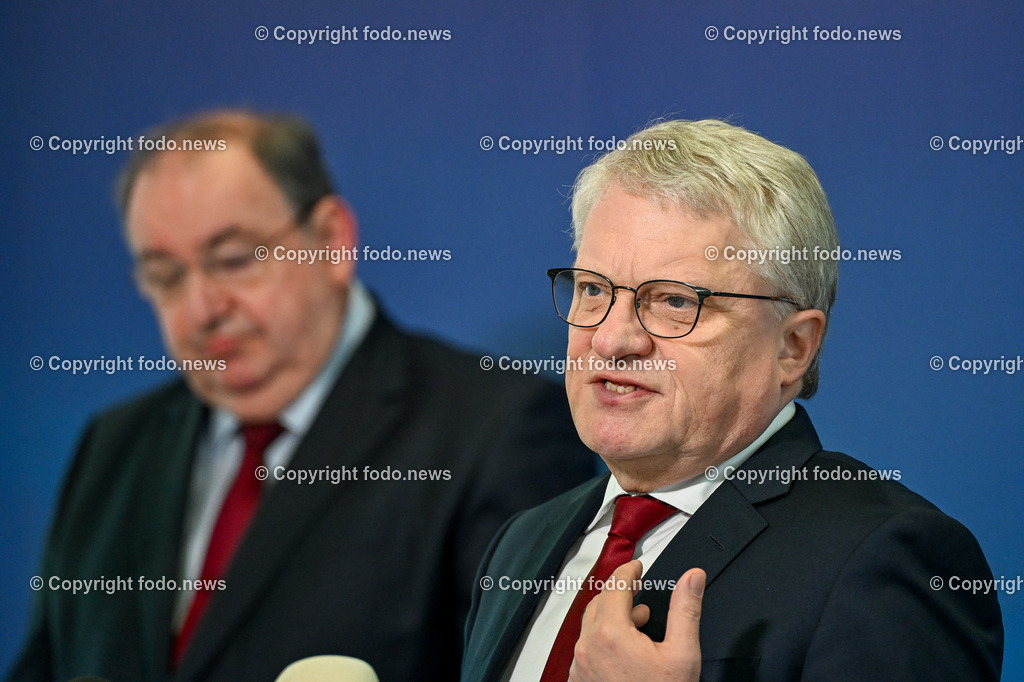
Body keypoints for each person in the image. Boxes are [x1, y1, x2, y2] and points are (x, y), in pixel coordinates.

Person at [8, 109, 593, 682]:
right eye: (165, 275)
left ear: (332, 240)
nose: (200, 310)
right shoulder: (115, 444)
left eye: (234, 259)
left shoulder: (494, 431)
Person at [461, 119, 1004, 681]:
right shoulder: (523, 542)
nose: (612, 339)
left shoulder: (885, 558)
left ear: (793, 347)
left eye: (674, 301)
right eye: (594, 290)